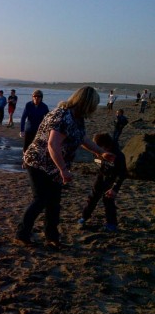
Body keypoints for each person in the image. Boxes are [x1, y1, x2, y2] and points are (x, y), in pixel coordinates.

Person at [14, 86, 116, 249]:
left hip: (54, 165)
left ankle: (52, 238)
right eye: (94, 105)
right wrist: (63, 169)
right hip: (38, 162)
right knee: (40, 199)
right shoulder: (62, 115)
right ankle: (22, 234)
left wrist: (101, 152)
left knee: (54, 202)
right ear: (86, 103)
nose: (95, 108)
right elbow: (52, 145)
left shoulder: (78, 117)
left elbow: (82, 138)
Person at [78, 133, 127, 232]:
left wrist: (114, 189)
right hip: (101, 176)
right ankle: (84, 217)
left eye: (99, 148)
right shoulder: (97, 152)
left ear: (107, 146)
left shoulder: (118, 156)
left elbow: (122, 174)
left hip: (111, 180)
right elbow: (98, 162)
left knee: (108, 201)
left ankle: (111, 224)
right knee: (92, 197)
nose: (96, 151)